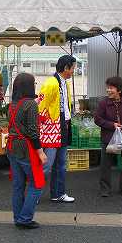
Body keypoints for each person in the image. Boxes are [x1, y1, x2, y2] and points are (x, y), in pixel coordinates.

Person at [7, 73, 47, 229]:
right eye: (34, 83)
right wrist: (40, 152)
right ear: (28, 86)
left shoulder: (12, 104)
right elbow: (32, 131)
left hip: (12, 147)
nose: (35, 85)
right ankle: (25, 218)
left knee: (18, 185)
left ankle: (18, 217)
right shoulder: (31, 104)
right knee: (36, 184)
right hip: (26, 148)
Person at [37, 55, 76, 203]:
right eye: (73, 68)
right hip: (52, 130)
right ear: (66, 68)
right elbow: (40, 108)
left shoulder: (63, 83)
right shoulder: (51, 83)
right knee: (47, 165)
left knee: (61, 164)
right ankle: (33, 195)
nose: (73, 71)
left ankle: (58, 193)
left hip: (63, 126)